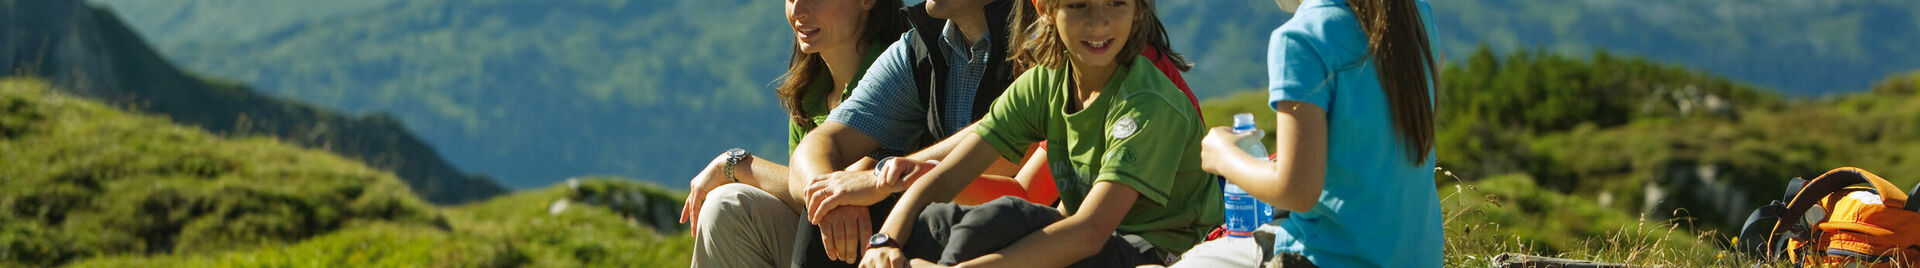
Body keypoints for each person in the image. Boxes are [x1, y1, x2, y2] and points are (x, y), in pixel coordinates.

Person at [815, 0, 1220, 266]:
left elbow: (1090, 232)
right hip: (1092, 239)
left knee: (994, 225)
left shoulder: (1146, 102)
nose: (1100, 23)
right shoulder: (1045, 82)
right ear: (1045, 8)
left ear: (1136, 9)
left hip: (1157, 251)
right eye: (1079, 5)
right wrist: (885, 242)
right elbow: (947, 174)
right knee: (937, 222)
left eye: (1117, 3)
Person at [1174, 0, 1445, 266]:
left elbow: (1297, 191)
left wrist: (1224, 155)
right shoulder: (1413, 12)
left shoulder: (1301, 37)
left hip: (1328, 256)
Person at [679, 0, 908, 266]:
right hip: (832, 248)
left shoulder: (900, 73)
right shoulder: (810, 94)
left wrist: (736, 164)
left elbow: (845, 189)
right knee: (726, 207)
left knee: (727, 203)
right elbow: (806, 199)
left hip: (886, 248)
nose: (798, 11)